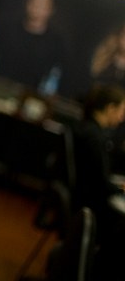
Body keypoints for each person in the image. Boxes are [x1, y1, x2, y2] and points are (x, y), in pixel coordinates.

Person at [72, 84, 125, 279]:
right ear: (110, 108)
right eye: (121, 111)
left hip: (81, 203)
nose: (122, 117)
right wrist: (121, 189)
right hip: (90, 209)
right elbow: (101, 183)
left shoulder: (86, 129)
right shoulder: (94, 137)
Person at [0, 0, 68, 93]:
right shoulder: (7, 29)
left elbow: (56, 77)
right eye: (34, 1)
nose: (36, 6)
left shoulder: (56, 43)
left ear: (51, 10)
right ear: (27, 3)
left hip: (32, 97)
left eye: (42, 4)